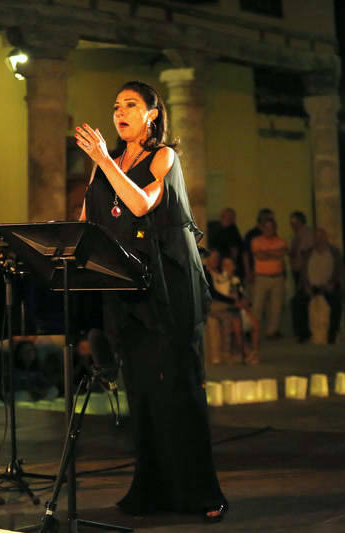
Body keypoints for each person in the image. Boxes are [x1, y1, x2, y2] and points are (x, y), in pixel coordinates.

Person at [75, 80, 227, 521]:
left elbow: (141, 204)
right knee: (141, 391)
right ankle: (152, 491)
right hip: (125, 289)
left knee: (177, 389)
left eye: (130, 105)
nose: (120, 113)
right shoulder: (105, 164)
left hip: (168, 288)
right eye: (116, 105)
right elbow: (87, 219)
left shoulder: (164, 156)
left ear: (152, 115)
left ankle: (203, 493)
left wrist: (104, 160)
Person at [300, 228, 344, 344]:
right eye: (317, 237)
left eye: (321, 237)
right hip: (312, 286)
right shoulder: (308, 253)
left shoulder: (334, 252)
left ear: (326, 238)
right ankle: (304, 334)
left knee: (336, 303)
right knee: (297, 302)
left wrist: (333, 283)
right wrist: (306, 285)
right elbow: (303, 271)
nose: (319, 240)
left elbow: (339, 270)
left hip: (328, 285)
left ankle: (332, 334)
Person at [250, 218, 287, 339]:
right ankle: (254, 330)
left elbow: (281, 254)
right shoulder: (256, 241)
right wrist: (274, 253)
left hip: (277, 277)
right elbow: (259, 256)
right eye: (266, 227)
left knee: (276, 306)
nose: (269, 230)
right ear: (262, 228)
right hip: (261, 278)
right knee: (257, 306)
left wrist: (267, 253)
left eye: (271, 227)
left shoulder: (281, 241)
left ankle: (273, 331)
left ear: (275, 228)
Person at [289, 211, 314, 343]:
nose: (292, 225)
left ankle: (303, 333)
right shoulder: (297, 235)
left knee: (300, 302)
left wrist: (304, 278)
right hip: (299, 272)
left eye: (294, 222)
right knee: (300, 301)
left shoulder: (306, 234)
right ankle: (302, 332)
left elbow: (306, 255)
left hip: (304, 273)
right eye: (291, 223)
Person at [242, 208, 274, 293]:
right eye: (269, 219)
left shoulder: (273, 234)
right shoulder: (252, 234)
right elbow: (245, 254)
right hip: (255, 273)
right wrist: (248, 272)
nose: (271, 221)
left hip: (270, 273)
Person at [210, 207, 244, 280]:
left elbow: (234, 250)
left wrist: (231, 265)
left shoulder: (233, 231)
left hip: (226, 266)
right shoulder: (215, 227)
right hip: (216, 265)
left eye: (229, 217)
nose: (226, 219)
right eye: (225, 216)